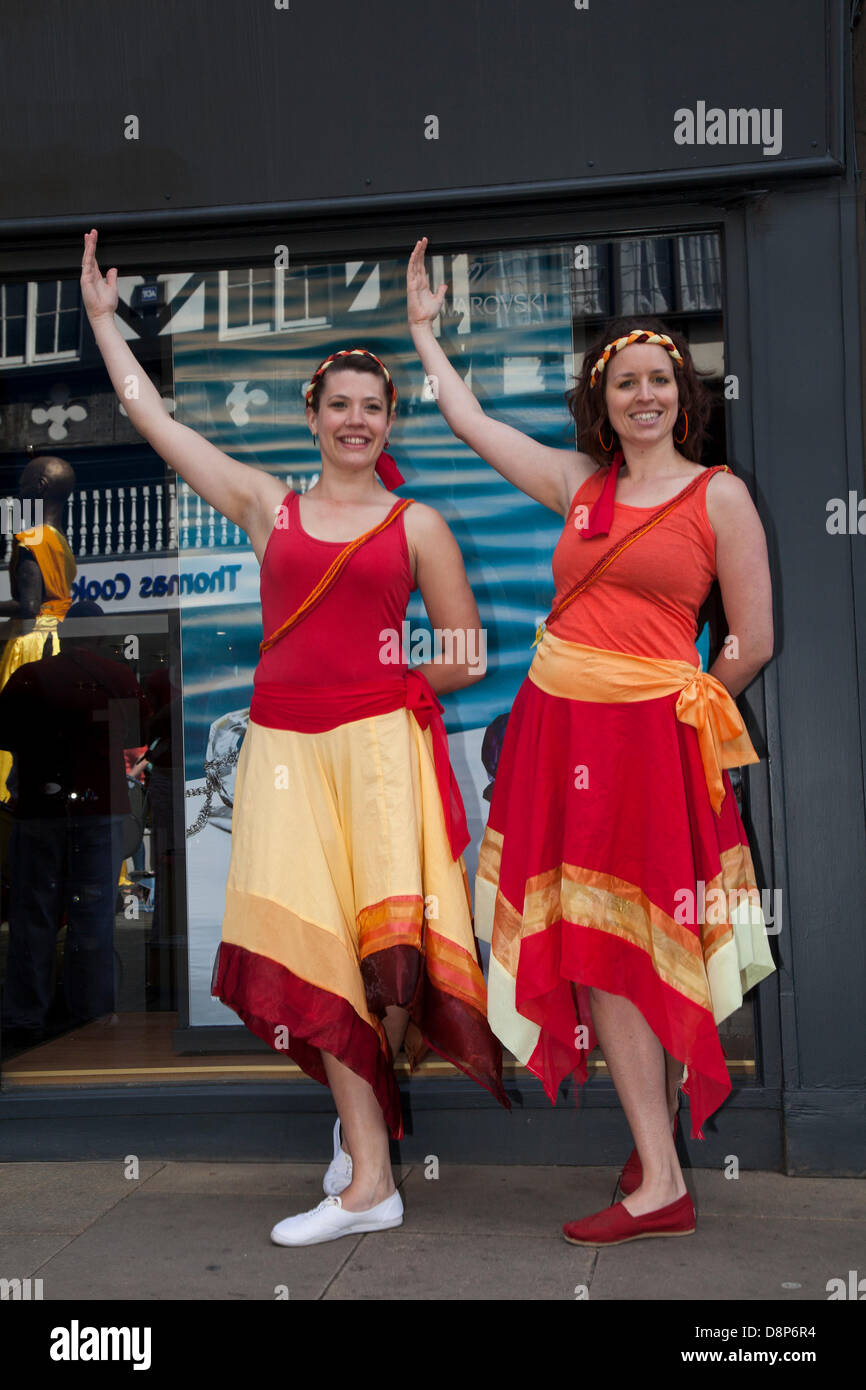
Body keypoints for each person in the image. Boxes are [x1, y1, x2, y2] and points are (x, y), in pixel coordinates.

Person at [79, 229, 508, 1247]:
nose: (355, 419)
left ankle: (365, 1151)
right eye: (339, 405)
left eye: (372, 406)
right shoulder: (268, 506)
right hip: (282, 754)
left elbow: (466, 654)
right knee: (310, 950)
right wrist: (102, 321)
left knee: (386, 963)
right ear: (311, 419)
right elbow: (152, 422)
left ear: (387, 419)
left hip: (377, 757)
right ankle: (369, 1171)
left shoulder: (417, 526)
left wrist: (391, 678)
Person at [407, 236, 775, 1246]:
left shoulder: (718, 496)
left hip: (649, 748)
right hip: (559, 736)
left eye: (659, 379)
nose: (643, 395)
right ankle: (653, 1161)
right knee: (600, 951)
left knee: (640, 948)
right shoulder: (578, 485)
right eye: (625, 382)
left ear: (681, 394)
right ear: (601, 399)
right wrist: (425, 339)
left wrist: (683, 704)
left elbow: (751, 638)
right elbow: (473, 424)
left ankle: (658, 1172)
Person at [0, 603, 148, 1048]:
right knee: (93, 919)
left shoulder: (32, 678)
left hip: (40, 811)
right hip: (99, 812)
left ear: (64, 633)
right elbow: (134, 735)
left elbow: (4, 733)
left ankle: (27, 1018)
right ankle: (92, 1017)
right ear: (102, 635)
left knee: (34, 917)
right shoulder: (119, 678)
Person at [0, 454, 77, 802]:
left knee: (14, 731)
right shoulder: (59, 538)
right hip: (55, 638)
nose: (18, 493)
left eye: (23, 485)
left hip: (31, 642)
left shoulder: (32, 538)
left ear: (40, 486)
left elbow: (29, 608)